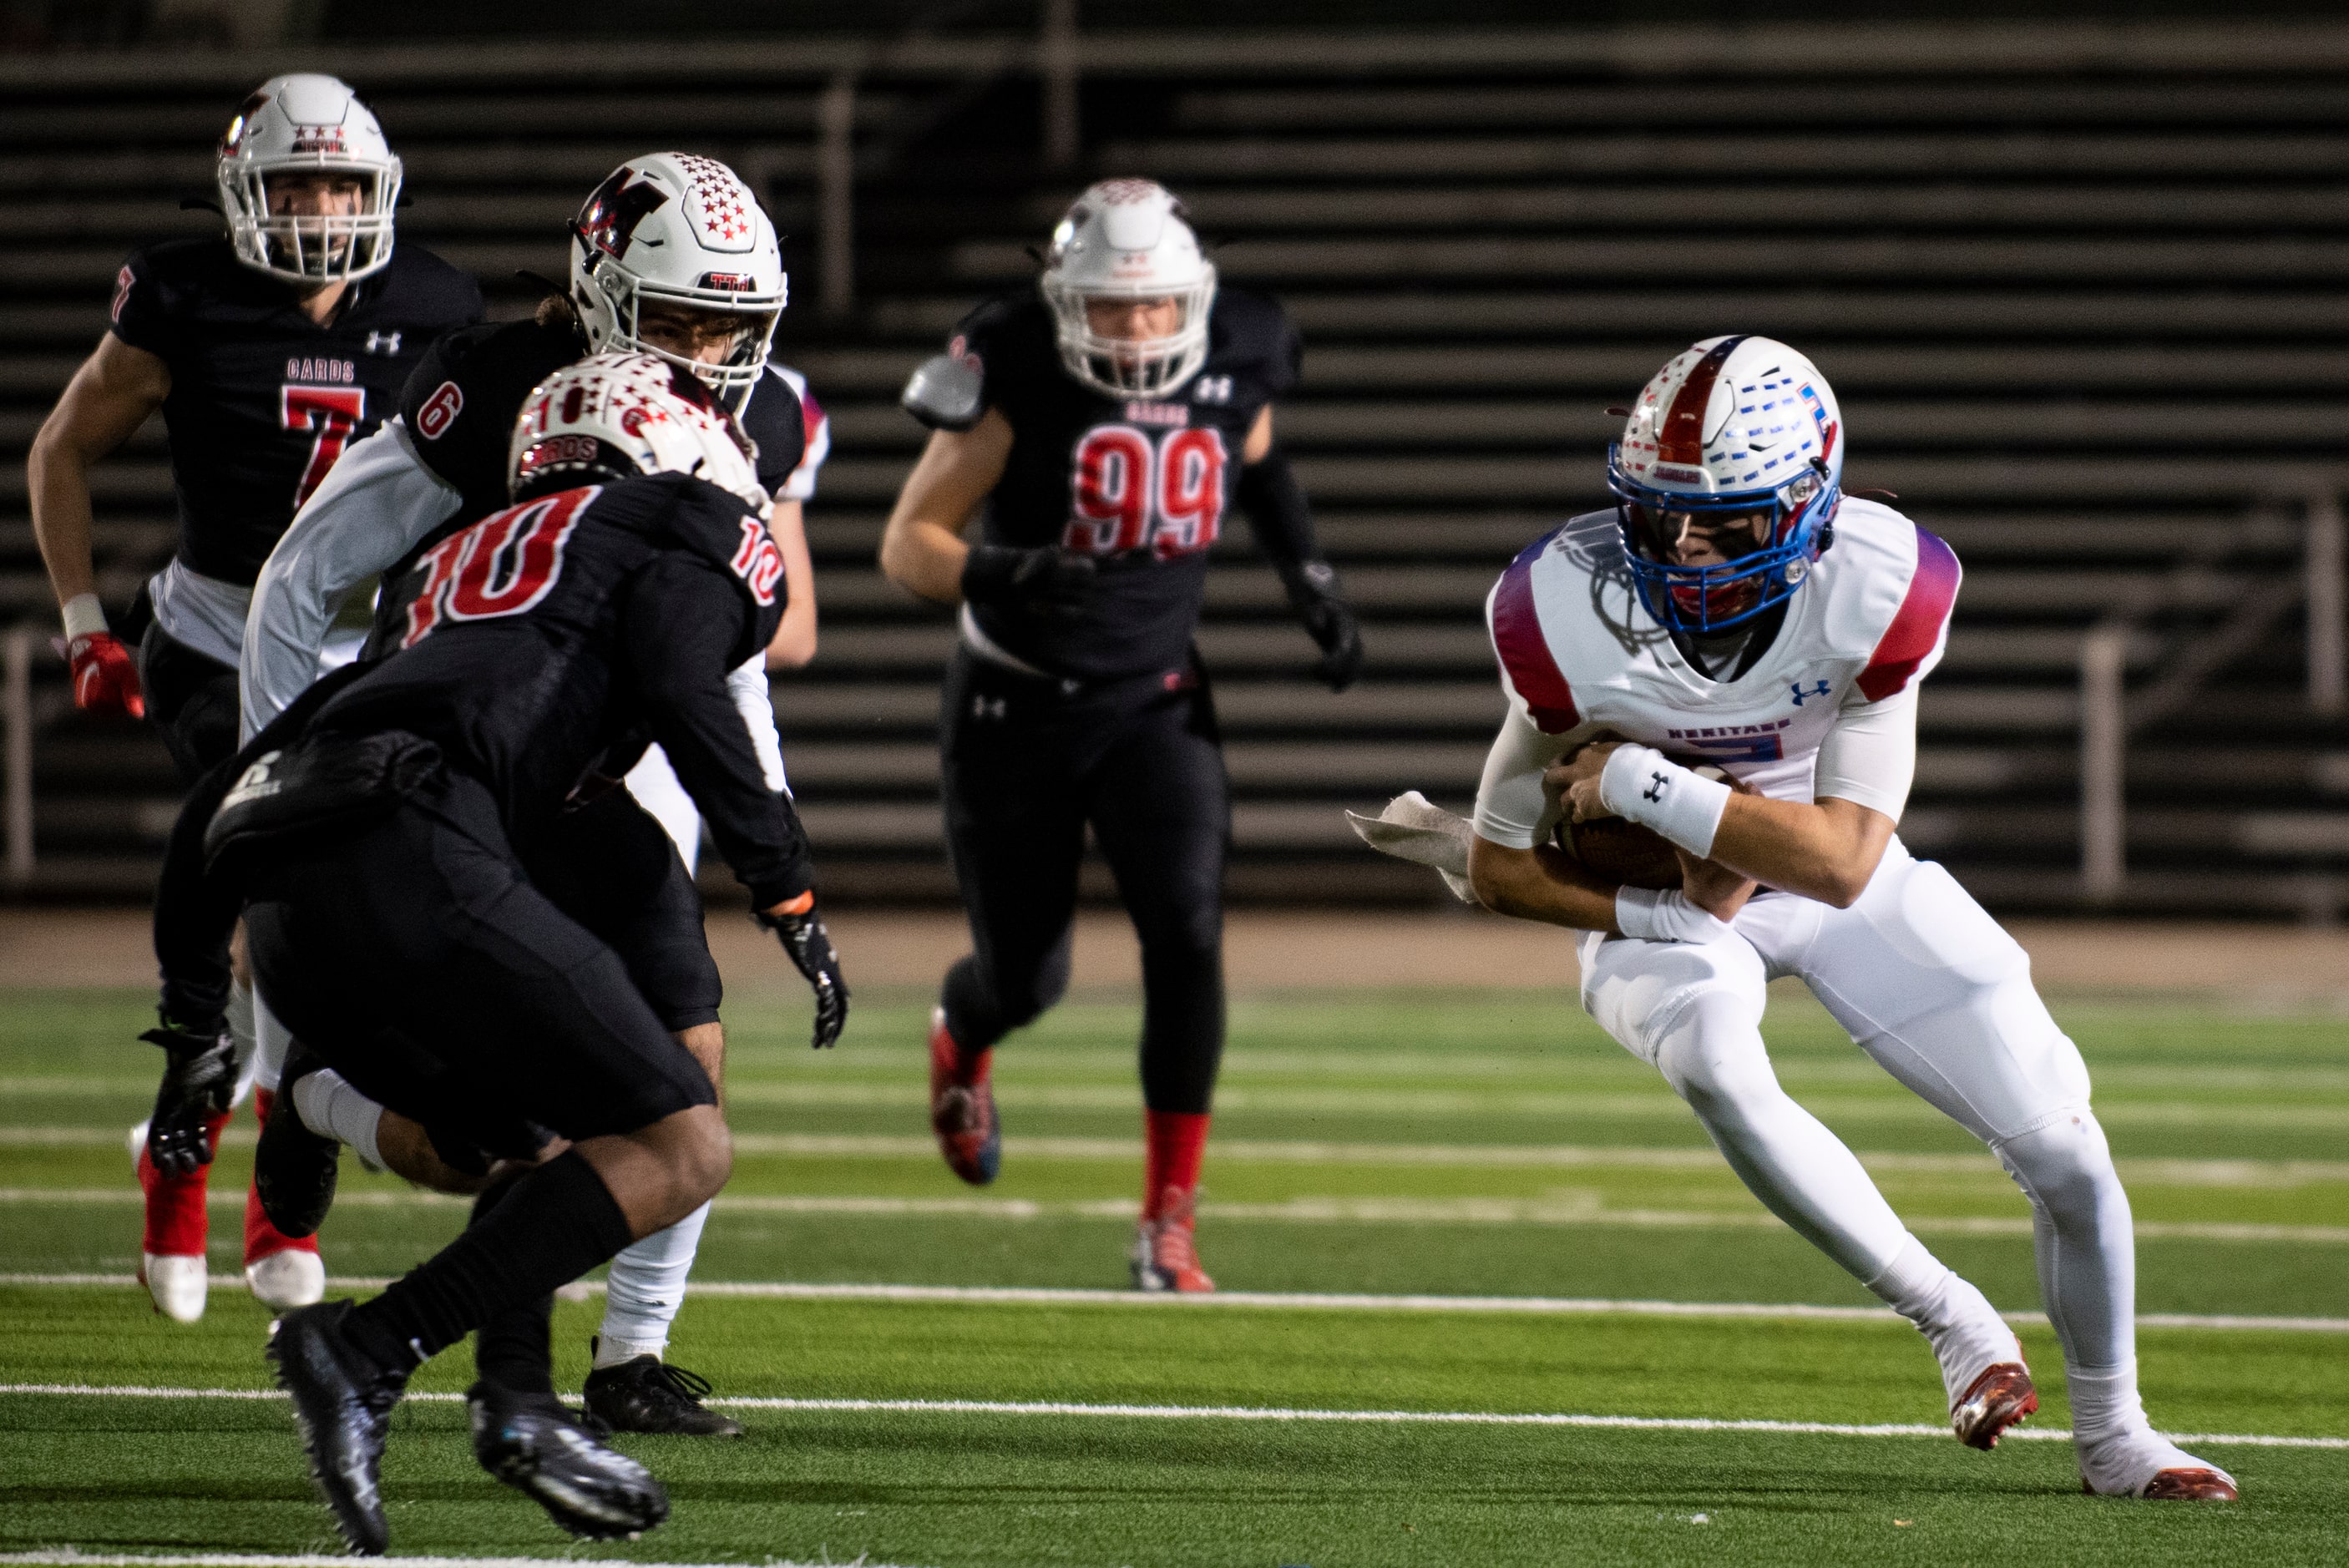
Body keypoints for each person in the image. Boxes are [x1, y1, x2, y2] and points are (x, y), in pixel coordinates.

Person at [1359, 335, 2235, 1501]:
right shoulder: (1559, 603)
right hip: (1665, 905)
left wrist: (1636, 784)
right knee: (1717, 1054)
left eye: (1721, 521)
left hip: (1826, 876)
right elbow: (1499, 862)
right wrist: (1658, 912)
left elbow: (1838, 861)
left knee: (2066, 1150)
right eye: (1661, 515)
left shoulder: (1880, 582)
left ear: (1809, 505)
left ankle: (2117, 1434)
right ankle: (1950, 1318)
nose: (1682, 548)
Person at [143, 352, 848, 1552]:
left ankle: (517, 1402)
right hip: (422, 844)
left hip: (289, 867)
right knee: (685, 1140)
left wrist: (196, 1027)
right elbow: (694, 680)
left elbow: (231, 790)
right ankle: (364, 1347)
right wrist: (785, 887)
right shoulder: (684, 518)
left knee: (534, 1138)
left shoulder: (448, 564)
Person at [238, 152, 818, 1434]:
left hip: (618, 759)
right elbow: (301, 580)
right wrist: (275, 765)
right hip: (468, 760)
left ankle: (623, 1356)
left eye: (732, 328)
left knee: (683, 1072)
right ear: (601, 296)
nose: (707, 356)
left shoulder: (765, 415)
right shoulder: (488, 385)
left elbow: (733, 651)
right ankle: (306, 1100)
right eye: (675, 322)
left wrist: (764, 831)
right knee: (486, 1144)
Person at [24, 72, 483, 1323]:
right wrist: (81, 626)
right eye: (296, 184)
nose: (323, 208)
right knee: (282, 884)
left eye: (342, 182)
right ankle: (216, 1149)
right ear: (242, 194)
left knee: (339, 921)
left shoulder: (438, 303)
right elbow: (62, 445)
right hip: (214, 637)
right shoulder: (182, 295)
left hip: (360, 654)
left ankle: (229, 1124)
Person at [880, 178, 1362, 1292]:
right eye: (1107, 305)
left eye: (1153, 307)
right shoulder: (1017, 362)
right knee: (1026, 976)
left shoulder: (1241, 344)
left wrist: (1312, 583)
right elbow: (910, 544)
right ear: (1062, 299)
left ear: (1194, 297)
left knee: (1187, 933)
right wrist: (1017, 571)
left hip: (1154, 698)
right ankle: (963, 1031)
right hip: (1015, 705)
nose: (1135, 328)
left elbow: (1257, 456)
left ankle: (1166, 1223)